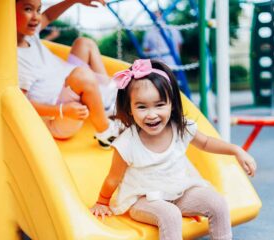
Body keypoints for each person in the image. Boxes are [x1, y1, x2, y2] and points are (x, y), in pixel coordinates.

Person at [90, 59, 257, 240]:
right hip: (143, 200)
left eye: (160, 105)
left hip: (179, 191)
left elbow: (206, 142)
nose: (152, 114)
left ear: (172, 104)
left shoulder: (180, 128)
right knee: (170, 215)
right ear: (130, 109)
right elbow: (113, 178)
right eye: (142, 107)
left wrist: (235, 150)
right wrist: (102, 202)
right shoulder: (127, 143)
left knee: (217, 203)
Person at [16, 0, 118, 147]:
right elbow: (21, 104)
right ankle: (106, 132)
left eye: (38, 10)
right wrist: (62, 110)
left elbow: (49, 15)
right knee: (82, 75)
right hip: (59, 117)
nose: (36, 17)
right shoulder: (15, 58)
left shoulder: (29, 35)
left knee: (84, 43)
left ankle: (108, 98)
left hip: (69, 86)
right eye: (28, 9)